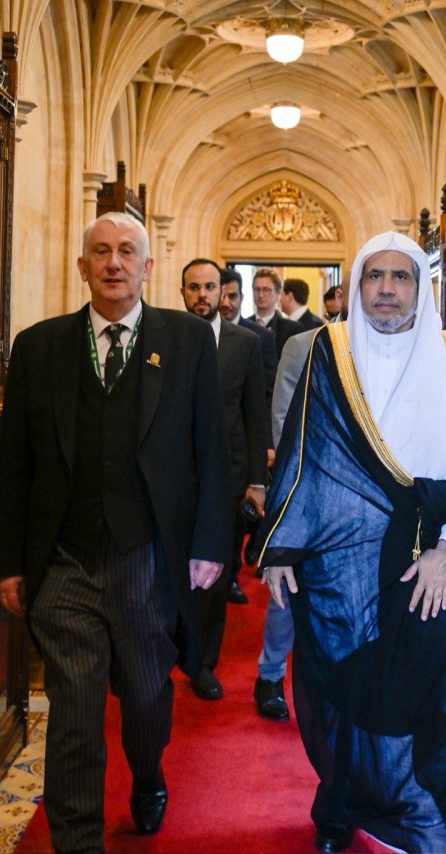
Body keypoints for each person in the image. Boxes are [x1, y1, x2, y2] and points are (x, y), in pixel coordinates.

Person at [0, 212, 230, 849]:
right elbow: (16, 464)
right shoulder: (40, 348)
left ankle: (148, 774)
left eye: (127, 251)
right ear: (82, 266)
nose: (113, 263)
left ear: (148, 267)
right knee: (73, 710)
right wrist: (8, 562)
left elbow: (213, 449)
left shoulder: (186, 341)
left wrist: (211, 544)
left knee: (147, 697)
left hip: (147, 557)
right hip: (64, 559)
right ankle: (79, 840)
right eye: (101, 252)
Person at [256, 231, 446, 853]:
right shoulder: (330, 351)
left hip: (427, 563)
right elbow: (304, 451)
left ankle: (418, 812)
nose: (387, 289)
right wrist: (282, 545)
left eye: (401, 277)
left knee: (424, 693)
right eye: (374, 276)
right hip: (343, 566)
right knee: (346, 693)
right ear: (358, 285)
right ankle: (341, 802)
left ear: (420, 287)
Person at [179, 258, 270, 698]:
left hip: (227, 479)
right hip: (175, 479)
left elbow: (255, 414)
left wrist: (257, 481)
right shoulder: (167, 337)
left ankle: (202, 663)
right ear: (182, 293)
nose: (202, 295)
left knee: (214, 578)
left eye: (209, 287)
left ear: (222, 292)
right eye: (194, 287)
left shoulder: (246, 344)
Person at [252, 327, 313, 722]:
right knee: (287, 588)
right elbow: (283, 424)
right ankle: (270, 675)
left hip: (367, 501)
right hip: (301, 491)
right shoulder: (302, 345)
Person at [219, 267, 276, 400]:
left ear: (242, 298)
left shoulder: (261, 337)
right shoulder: (203, 331)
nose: (225, 303)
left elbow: (268, 391)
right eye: (221, 296)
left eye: (232, 296)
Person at [251, 268, 305, 357]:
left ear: (278, 293)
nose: (260, 295)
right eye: (257, 289)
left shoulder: (292, 329)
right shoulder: (242, 325)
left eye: (266, 290)